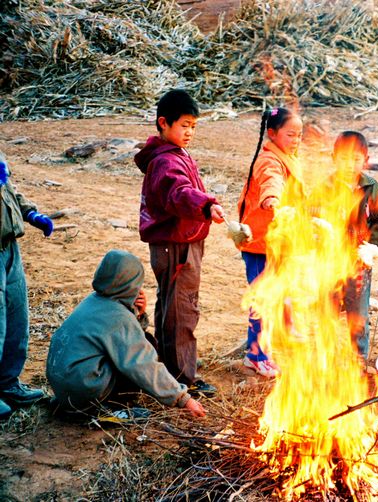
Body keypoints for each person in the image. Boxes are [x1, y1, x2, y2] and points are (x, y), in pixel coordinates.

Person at [136, 89, 224, 395]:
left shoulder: (174, 154)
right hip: (176, 245)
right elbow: (178, 193)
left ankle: (168, 368)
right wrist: (206, 206)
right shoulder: (165, 162)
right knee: (182, 309)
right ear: (164, 123)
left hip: (178, 242)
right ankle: (182, 379)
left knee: (171, 305)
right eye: (184, 125)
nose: (190, 132)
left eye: (194, 126)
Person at [46, 250, 206, 419]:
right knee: (144, 351)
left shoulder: (93, 300)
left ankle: (77, 406)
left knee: (142, 342)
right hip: (85, 390)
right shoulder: (118, 316)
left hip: (66, 389)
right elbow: (142, 363)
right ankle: (106, 409)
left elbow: (124, 337)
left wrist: (138, 313)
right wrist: (183, 399)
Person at [236, 107, 304, 377]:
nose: (296, 140)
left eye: (299, 135)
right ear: (273, 134)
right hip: (260, 244)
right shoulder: (268, 160)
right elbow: (271, 181)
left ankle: (282, 334)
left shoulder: (288, 157)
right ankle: (256, 355)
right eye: (290, 134)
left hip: (279, 242)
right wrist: (272, 199)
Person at [331, 131, 378, 359]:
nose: (349, 165)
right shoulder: (325, 188)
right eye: (344, 158)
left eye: (355, 159)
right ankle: (325, 358)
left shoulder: (371, 188)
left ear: (365, 160)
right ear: (333, 158)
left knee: (358, 313)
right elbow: (311, 217)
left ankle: (358, 358)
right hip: (328, 263)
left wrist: (371, 245)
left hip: (359, 263)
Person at [0, 152, 53, 420]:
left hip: (9, 246)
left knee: (15, 317)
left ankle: (7, 384)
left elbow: (8, 191)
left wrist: (31, 213)